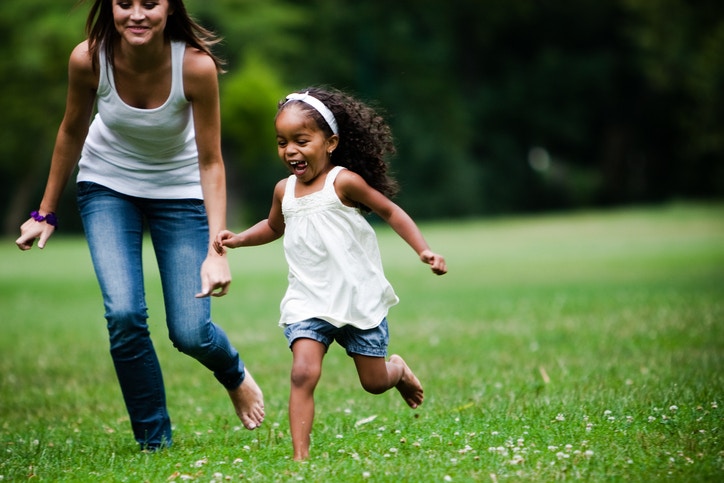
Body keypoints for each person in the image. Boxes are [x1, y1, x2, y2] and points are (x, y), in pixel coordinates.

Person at [15, 0, 264, 450]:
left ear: (170, 8)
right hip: (107, 184)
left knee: (190, 332)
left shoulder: (195, 67)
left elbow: (211, 161)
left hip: (181, 190)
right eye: (124, 2)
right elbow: (72, 129)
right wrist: (45, 212)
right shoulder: (89, 58)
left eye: (150, 3)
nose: (136, 14)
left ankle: (234, 373)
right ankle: (154, 441)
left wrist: (217, 251)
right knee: (125, 314)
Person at [214, 86, 447, 460]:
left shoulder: (344, 182)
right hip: (310, 298)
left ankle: (398, 370)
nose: (290, 150)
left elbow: (391, 212)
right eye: (281, 142)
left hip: (357, 297)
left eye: (301, 140)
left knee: (373, 383)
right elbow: (274, 227)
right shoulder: (283, 191)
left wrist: (424, 250)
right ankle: (300, 459)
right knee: (303, 373)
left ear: (331, 142)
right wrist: (239, 239)